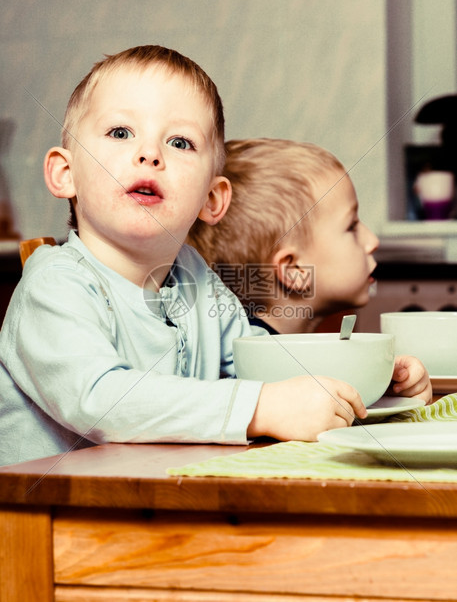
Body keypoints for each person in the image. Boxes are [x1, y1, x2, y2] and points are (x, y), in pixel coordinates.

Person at [0, 46, 369, 465]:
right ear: (66, 174)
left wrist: (365, 374)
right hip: (43, 518)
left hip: (156, 505)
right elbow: (100, 400)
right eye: (121, 132)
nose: (150, 154)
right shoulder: (55, 285)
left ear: (212, 199)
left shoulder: (195, 279)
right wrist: (258, 408)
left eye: (180, 142)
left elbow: (257, 357)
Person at [188, 138, 432, 401]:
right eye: (351, 226)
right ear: (293, 269)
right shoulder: (247, 372)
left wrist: (391, 382)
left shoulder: (295, 362)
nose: (372, 241)